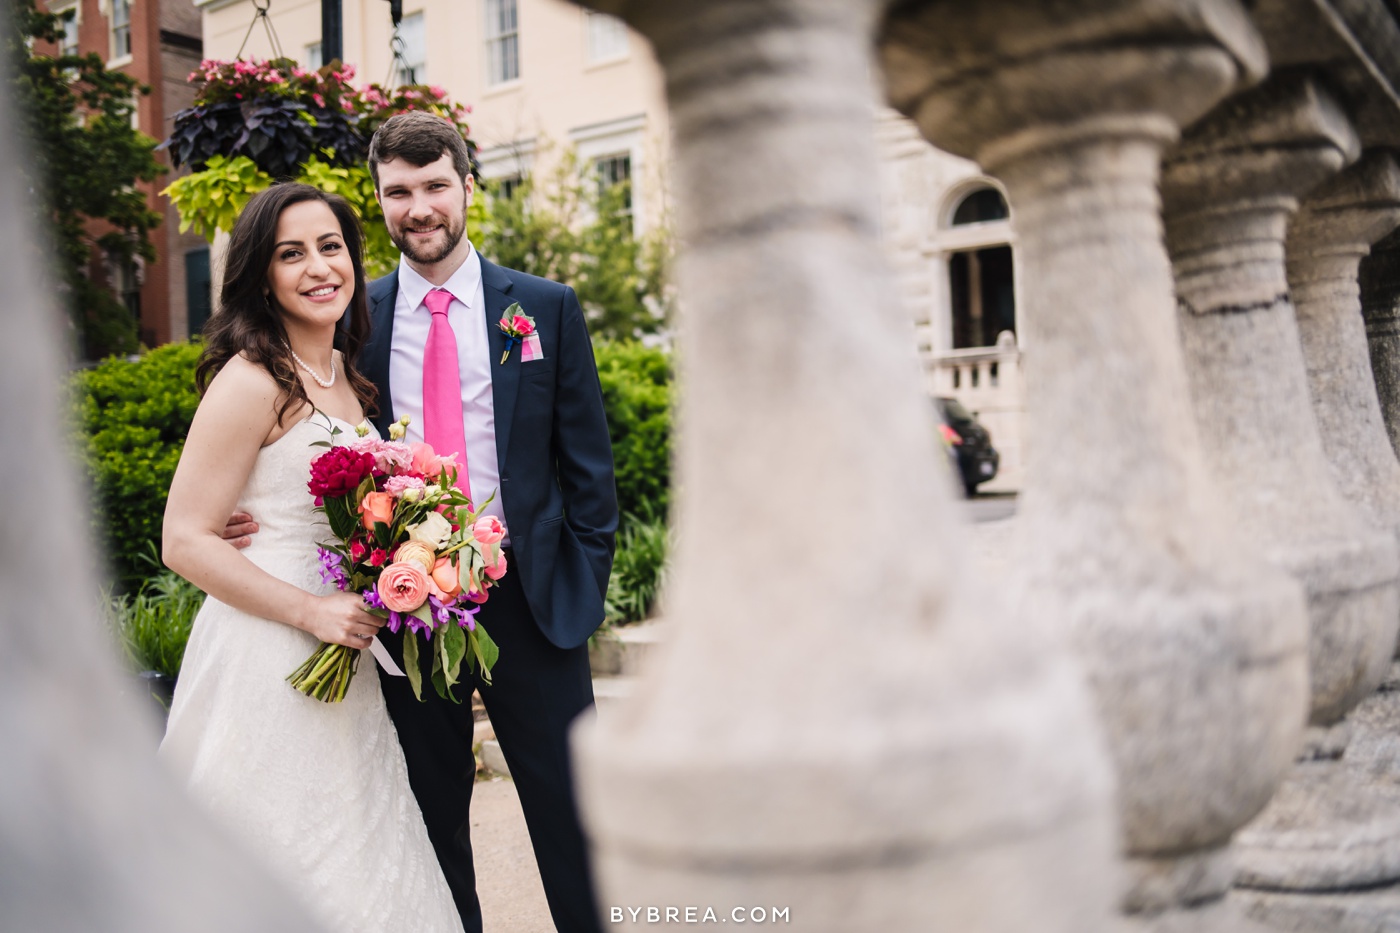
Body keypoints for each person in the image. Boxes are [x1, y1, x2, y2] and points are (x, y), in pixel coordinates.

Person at [225, 112, 618, 933]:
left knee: (576, 821)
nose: (420, 207)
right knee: (431, 821)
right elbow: (292, 427)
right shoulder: (348, 322)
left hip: (533, 603)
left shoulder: (543, 308)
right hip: (401, 608)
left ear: (467, 188)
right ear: (379, 203)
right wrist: (246, 509)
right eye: (398, 192)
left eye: (435, 185)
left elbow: (589, 471)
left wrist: (582, 582)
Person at [160, 182, 466, 933]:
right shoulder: (251, 379)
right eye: (290, 254)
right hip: (270, 647)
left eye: (330, 247)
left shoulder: (347, 385)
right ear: (261, 275)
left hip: (346, 648)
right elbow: (184, 537)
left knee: (353, 846)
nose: (317, 267)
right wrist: (309, 609)